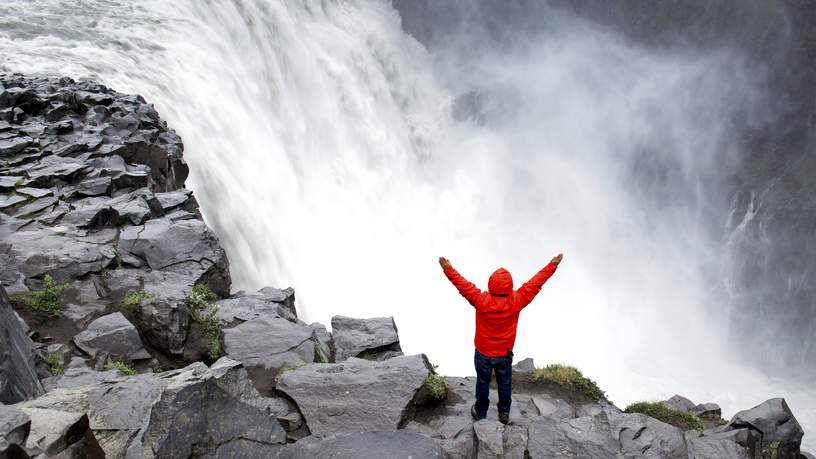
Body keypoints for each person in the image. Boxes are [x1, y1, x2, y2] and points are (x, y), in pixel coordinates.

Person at [439, 253, 563, 424]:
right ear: (509, 285)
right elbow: (536, 283)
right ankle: (504, 413)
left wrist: (448, 269)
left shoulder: (481, 300)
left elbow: (463, 286)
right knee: (504, 384)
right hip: (504, 354)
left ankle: (481, 412)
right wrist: (552, 265)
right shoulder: (517, 300)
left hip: (483, 353)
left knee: (482, 383)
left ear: (491, 284)